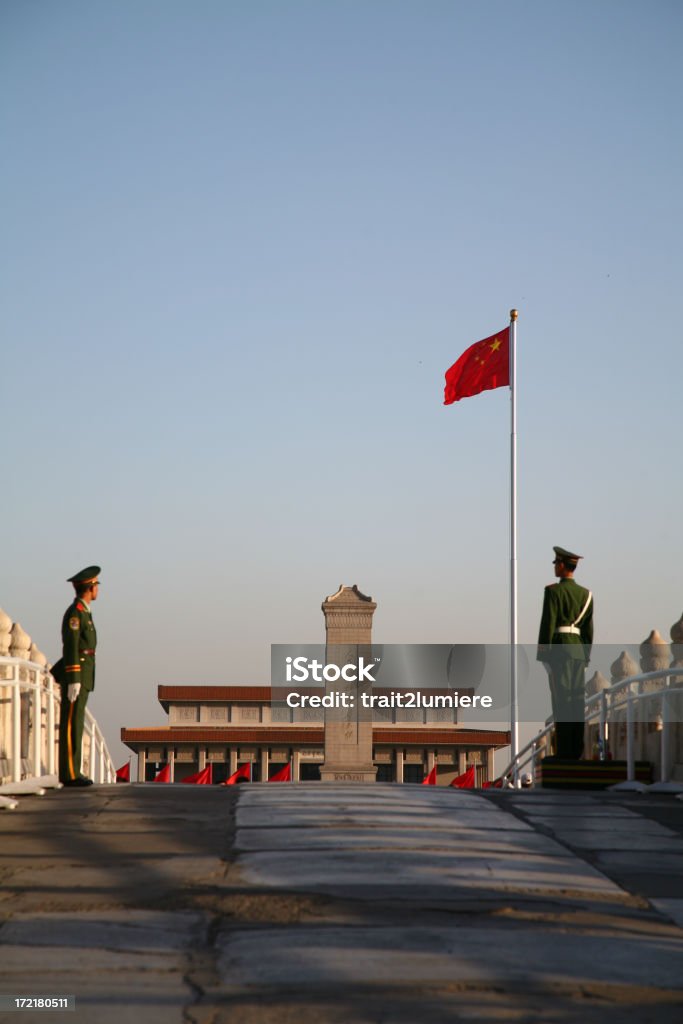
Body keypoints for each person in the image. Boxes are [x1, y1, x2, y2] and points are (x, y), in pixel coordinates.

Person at [537, 546, 593, 760]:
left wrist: (544, 655)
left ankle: (564, 753)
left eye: (556, 563)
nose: (554, 567)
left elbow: (548, 624)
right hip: (578, 651)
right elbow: (588, 630)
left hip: (559, 651)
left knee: (560, 702)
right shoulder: (586, 594)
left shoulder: (553, 592)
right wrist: (585, 656)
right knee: (576, 702)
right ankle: (576, 750)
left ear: (562, 565)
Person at [52, 566, 101, 787]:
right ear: (89, 589)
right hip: (77, 672)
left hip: (84, 671)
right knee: (71, 722)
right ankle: (70, 773)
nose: (98, 590)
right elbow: (71, 646)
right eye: (96, 586)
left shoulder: (84, 612)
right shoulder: (75, 614)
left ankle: (74, 770)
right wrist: (73, 677)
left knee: (78, 722)